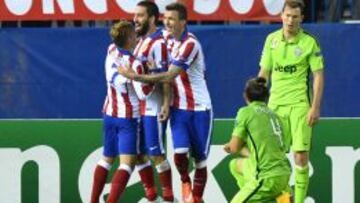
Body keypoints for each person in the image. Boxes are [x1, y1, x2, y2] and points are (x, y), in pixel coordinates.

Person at [118, 3, 213, 203]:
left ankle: (196, 198)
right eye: (165, 18)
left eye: (171, 19)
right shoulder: (166, 39)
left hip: (200, 109)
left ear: (183, 22)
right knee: (179, 153)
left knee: (200, 160)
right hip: (180, 108)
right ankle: (185, 181)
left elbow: (170, 74)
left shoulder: (190, 44)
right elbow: (161, 65)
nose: (167, 23)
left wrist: (135, 76)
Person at [258, 1, 324, 203]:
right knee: (276, 159)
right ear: (281, 16)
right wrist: (258, 102)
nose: (290, 20)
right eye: (287, 15)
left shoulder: (309, 42)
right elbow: (264, 73)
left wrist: (315, 107)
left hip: (299, 106)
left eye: (295, 16)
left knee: (300, 155)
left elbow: (318, 76)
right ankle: (285, 199)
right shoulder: (271, 40)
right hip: (275, 106)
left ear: (301, 19)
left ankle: (300, 200)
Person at [89, 20, 153, 203]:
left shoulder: (111, 50)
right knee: (127, 164)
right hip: (128, 118)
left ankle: (93, 200)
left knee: (106, 159)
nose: (137, 37)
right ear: (131, 38)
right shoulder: (135, 65)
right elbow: (143, 94)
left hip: (109, 113)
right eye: (134, 34)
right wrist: (152, 76)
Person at [224, 77, 291, 203]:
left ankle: (266, 193)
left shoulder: (245, 113)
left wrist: (230, 146)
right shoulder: (276, 116)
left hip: (267, 178)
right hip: (284, 174)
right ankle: (280, 195)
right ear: (266, 97)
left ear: (245, 96)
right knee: (235, 165)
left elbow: (234, 148)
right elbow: (279, 147)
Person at [132, 1, 174, 202]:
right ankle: (151, 197)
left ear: (151, 18)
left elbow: (166, 76)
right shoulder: (140, 41)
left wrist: (166, 103)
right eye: (135, 15)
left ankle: (168, 198)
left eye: (140, 15)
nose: (135, 19)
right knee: (138, 152)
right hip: (138, 106)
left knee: (155, 152)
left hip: (154, 105)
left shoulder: (158, 42)